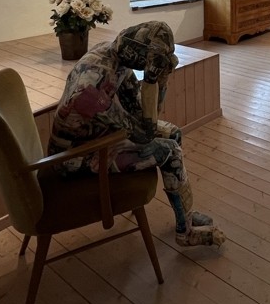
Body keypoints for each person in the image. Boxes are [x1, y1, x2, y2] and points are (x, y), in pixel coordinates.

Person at [48, 21, 224, 247]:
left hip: (98, 136)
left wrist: (160, 78)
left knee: (173, 133)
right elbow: (144, 133)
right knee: (170, 151)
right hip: (74, 156)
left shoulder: (115, 55)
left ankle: (185, 216)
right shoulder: (91, 86)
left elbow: (141, 113)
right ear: (137, 54)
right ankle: (186, 233)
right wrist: (156, 80)